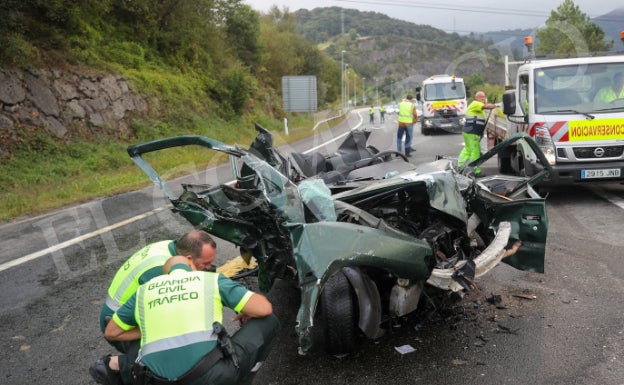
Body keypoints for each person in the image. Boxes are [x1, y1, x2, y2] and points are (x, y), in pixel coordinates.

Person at [104, 255, 280, 385]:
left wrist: (151, 327)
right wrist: (245, 311)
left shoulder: (144, 291)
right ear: (191, 266)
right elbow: (264, 308)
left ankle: (119, 365)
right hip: (210, 377)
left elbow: (111, 332)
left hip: (156, 380)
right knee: (268, 321)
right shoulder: (209, 279)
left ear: (165, 274)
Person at [90, 230, 218, 385]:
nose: (209, 267)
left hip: (122, 314)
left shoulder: (172, 248)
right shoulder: (160, 270)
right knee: (179, 341)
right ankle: (116, 366)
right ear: (189, 258)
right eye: (206, 263)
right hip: (119, 324)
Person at [457, 91, 496, 176]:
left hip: (469, 132)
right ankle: (475, 171)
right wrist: (494, 106)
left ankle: (459, 166)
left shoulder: (477, 107)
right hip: (472, 132)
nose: (483, 98)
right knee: (475, 151)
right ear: (476, 97)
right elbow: (486, 106)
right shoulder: (476, 103)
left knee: (468, 149)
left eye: (484, 96)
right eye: (481, 97)